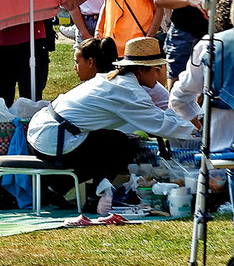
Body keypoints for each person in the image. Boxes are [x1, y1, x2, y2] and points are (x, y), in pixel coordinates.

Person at [28, 37, 194, 192]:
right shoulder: (128, 91)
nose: (159, 75)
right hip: (52, 139)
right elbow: (161, 125)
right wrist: (198, 131)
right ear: (141, 70)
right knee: (123, 145)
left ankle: (57, 189)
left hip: (43, 133)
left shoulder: (114, 80)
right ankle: (97, 196)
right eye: (157, 69)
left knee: (112, 140)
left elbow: (157, 118)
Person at [168, 0, 234, 152]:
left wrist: (202, 124)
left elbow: (179, 98)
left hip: (219, 155)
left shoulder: (210, 45)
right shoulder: (209, 45)